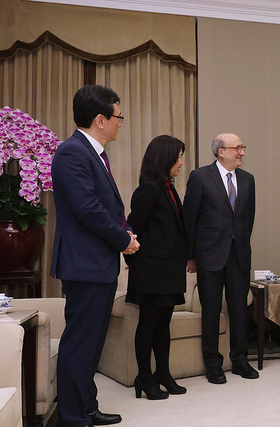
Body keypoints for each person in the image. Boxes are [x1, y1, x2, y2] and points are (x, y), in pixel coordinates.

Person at [51, 84, 139, 426]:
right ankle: (72, 417)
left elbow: (104, 208)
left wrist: (123, 233)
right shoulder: (72, 152)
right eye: (118, 117)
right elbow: (88, 208)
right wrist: (123, 240)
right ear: (100, 119)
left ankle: (87, 405)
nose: (121, 123)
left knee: (92, 344)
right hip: (84, 264)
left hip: (97, 264)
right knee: (80, 343)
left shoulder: (93, 153)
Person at [182, 133, 258, 384]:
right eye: (237, 148)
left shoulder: (248, 180)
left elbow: (248, 219)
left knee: (239, 311)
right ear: (220, 151)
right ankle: (213, 364)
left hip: (239, 256)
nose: (241, 153)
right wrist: (191, 256)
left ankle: (240, 361)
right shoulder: (200, 177)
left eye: (242, 147)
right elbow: (189, 219)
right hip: (209, 256)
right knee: (211, 312)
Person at [125, 135, 188, 400]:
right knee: (148, 324)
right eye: (179, 157)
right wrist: (133, 259)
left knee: (164, 324)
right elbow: (132, 227)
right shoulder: (149, 188)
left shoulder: (168, 187)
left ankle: (163, 373)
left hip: (169, 270)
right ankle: (145, 377)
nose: (181, 163)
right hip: (151, 270)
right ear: (165, 158)